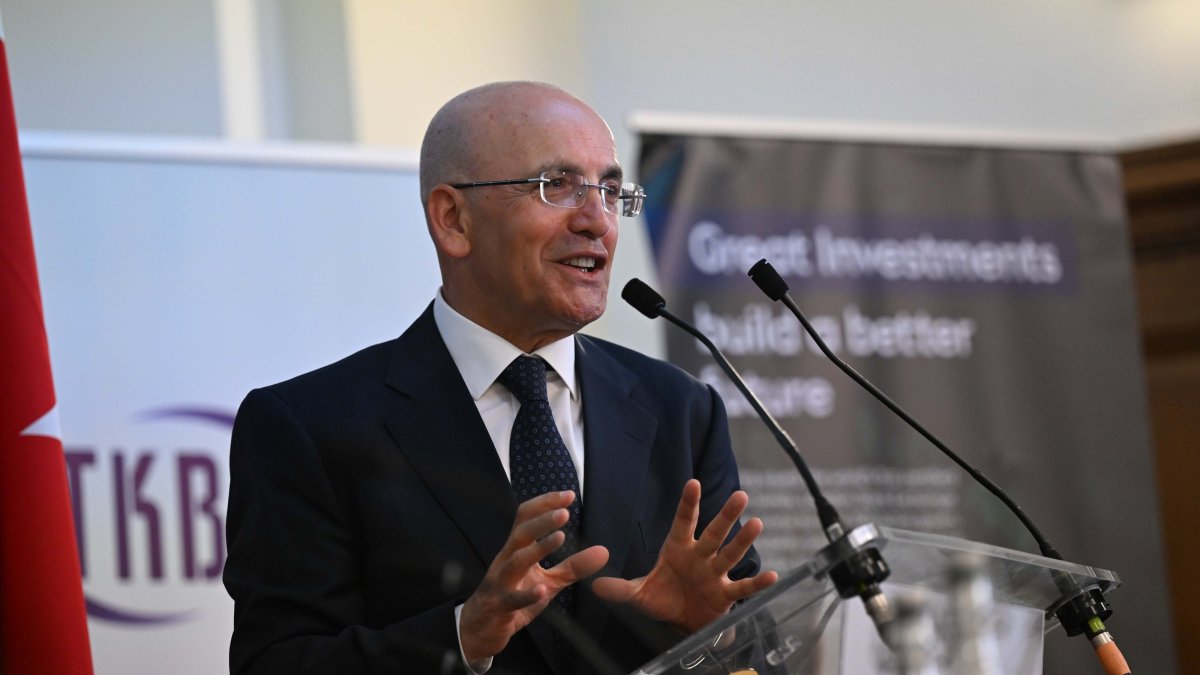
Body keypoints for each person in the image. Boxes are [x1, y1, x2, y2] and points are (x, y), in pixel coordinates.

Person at [223, 81, 777, 675]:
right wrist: (462, 635)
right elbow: (274, 663)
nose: (597, 221)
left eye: (611, 190)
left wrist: (712, 635)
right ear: (453, 220)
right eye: (556, 185)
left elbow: (763, 648)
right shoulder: (309, 427)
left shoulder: (679, 409)